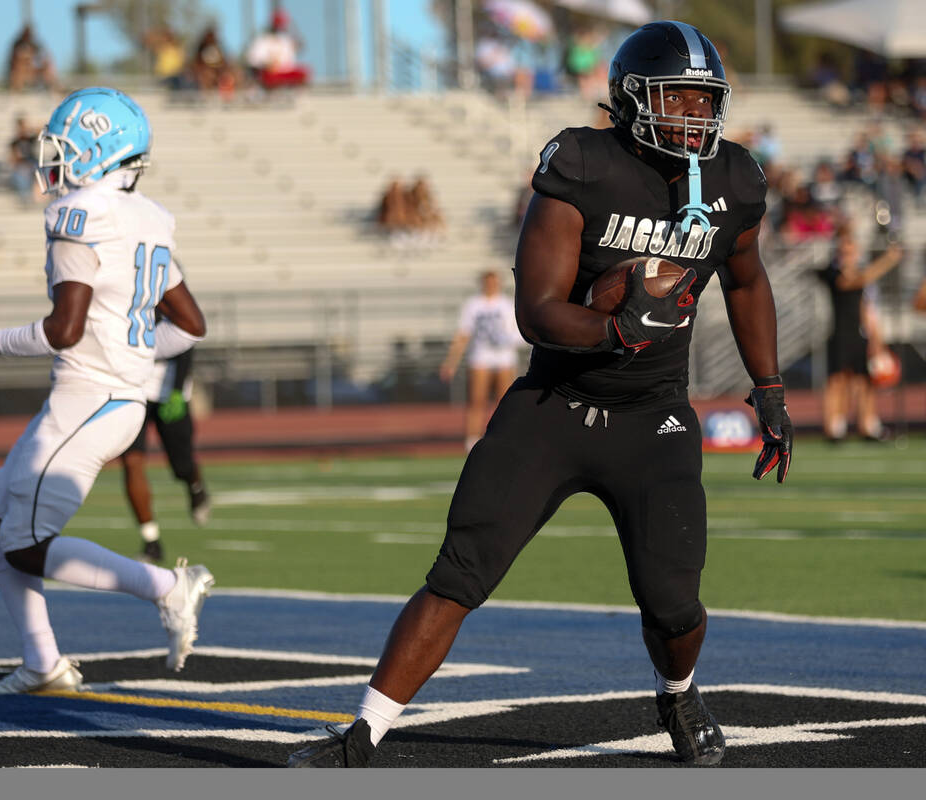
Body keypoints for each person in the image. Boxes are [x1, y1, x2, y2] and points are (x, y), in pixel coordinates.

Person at [288, 21, 791, 768]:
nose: (694, 115)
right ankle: (363, 733)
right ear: (630, 100)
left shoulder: (735, 178)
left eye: (703, 100)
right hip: (553, 407)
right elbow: (538, 310)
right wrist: (614, 329)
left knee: (674, 603)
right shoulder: (583, 164)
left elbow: (747, 280)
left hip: (653, 417)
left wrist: (770, 388)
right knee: (459, 572)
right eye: (676, 98)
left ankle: (679, 691)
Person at [0, 87, 214, 693]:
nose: (55, 160)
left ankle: (167, 586)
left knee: (23, 545)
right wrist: (133, 354)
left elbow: (63, 330)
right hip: (113, 397)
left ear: (102, 153)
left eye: (68, 148)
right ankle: (42, 662)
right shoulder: (146, 218)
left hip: (91, 398)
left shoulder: (79, 216)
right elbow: (190, 325)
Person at [119, 347, 211, 565]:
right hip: (132, 388)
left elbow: (187, 335)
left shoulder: (165, 311)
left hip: (167, 385)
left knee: (182, 466)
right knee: (131, 462)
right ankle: (151, 542)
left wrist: (178, 389)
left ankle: (195, 486)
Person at [819, 230, 903, 442]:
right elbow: (854, 281)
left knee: (865, 381)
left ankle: (868, 425)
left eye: (851, 250)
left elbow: (868, 311)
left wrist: (877, 340)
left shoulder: (864, 281)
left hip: (858, 335)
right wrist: (889, 260)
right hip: (839, 333)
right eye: (844, 250)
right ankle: (834, 426)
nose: (848, 254)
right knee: (837, 380)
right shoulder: (832, 273)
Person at [439, 270, 524, 452]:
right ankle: (472, 441)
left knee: (505, 401)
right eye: (488, 282)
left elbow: (518, 332)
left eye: (494, 282)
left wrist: (508, 340)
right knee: (476, 401)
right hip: (480, 356)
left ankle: (505, 436)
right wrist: (451, 362)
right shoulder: (473, 305)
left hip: (504, 358)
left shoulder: (506, 304)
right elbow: (463, 334)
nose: (491, 286)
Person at [245, 7, 311, 93]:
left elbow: (299, 47)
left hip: (284, 73)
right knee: (268, 77)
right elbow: (252, 59)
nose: (279, 28)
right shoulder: (263, 40)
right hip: (269, 73)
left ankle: (294, 93)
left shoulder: (286, 40)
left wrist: (293, 29)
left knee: (303, 72)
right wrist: (266, 63)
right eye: (278, 25)